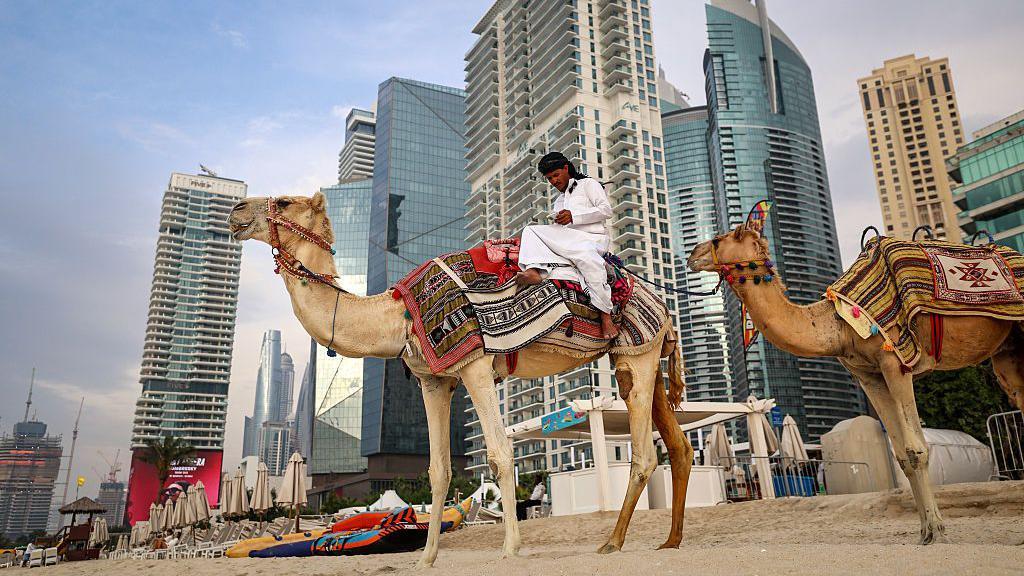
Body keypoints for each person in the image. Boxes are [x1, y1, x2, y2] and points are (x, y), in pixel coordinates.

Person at [517, 151, 618, 338]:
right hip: (568, 239)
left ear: (566, 168)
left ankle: (606, 316)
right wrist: (559, 221)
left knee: (589, 261)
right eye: (549, 178)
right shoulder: (559, 201)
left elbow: (606, 211)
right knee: (530, 230)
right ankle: (534, 270)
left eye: (556, 175)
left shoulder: (589, 184)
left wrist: (574, 216)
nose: (554, 181)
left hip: (590, 240)